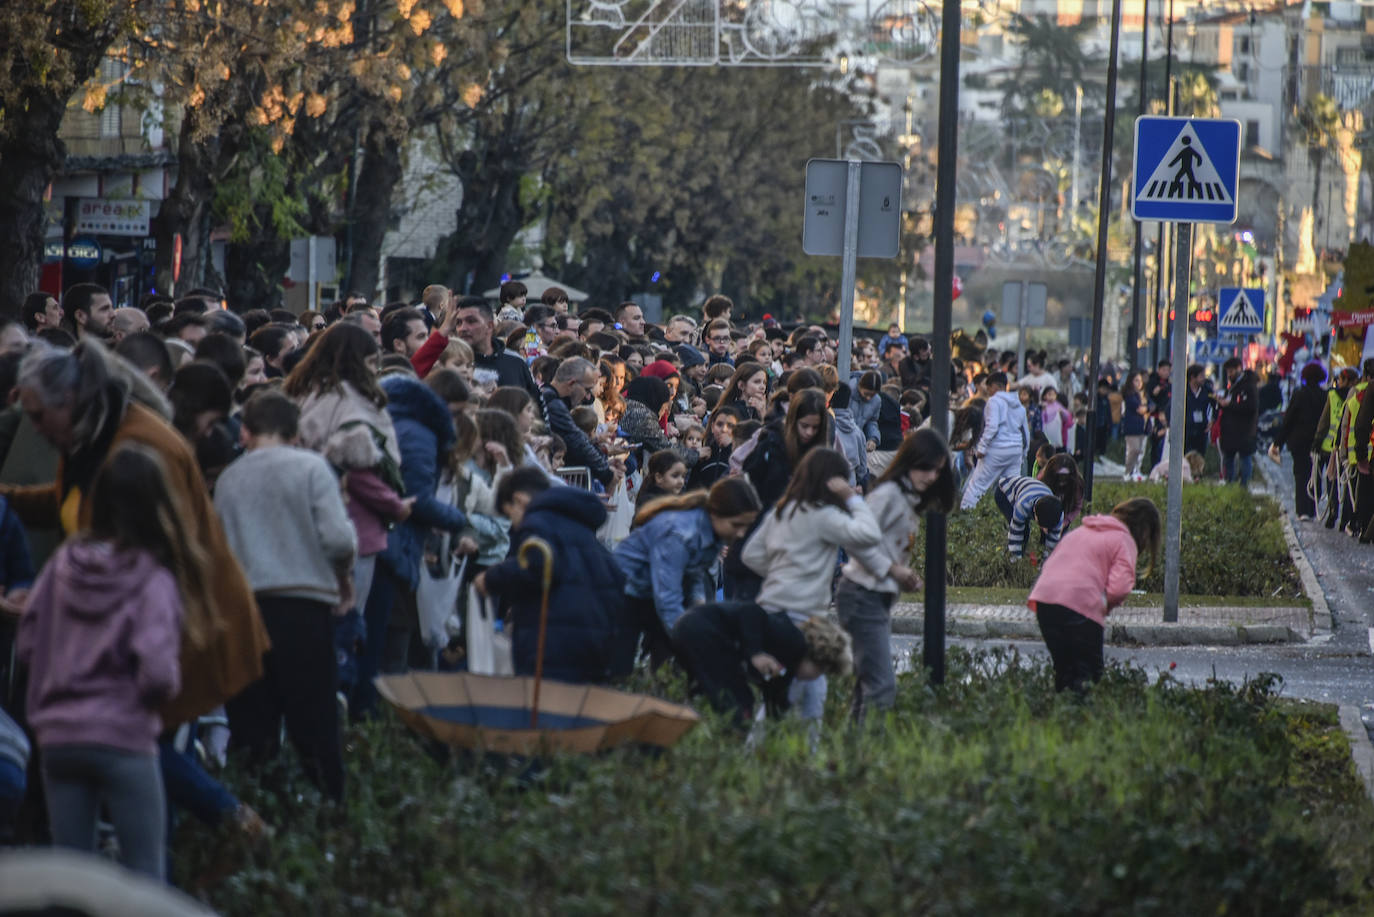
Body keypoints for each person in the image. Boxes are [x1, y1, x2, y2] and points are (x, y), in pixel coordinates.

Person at [3, 342, 267, 727]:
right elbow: (67, 503)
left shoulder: (137, 445)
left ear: (67, 399)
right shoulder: (93, 433)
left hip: (178, 637)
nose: (37, 429)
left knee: (144, 757)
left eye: (39, 416)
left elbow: (159, 555)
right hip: (135, 643)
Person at [18, 444, 194, 879]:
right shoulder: (153, 576)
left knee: (72, 878)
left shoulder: (63, 564)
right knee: (144, 874)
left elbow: (26, 643)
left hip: (58, 737)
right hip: (123, 735)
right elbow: (156, 670)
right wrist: (156, 697)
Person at [215, 392, 356, 801]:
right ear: (295, 433)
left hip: (245, 610)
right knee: (314, 718)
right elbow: (339, 538)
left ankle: (260, 808)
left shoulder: (228, 478)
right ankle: (330, 809)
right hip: (303, 605)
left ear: (245, 431)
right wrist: (343, 579)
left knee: (253, 722)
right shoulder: (311, 468)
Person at [743, 448, 881, 722]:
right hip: (802, 614)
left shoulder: (783, 510)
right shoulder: (823, 517)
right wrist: (851, 498)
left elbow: (750, 555)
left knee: (797, 688)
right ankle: (783, 751)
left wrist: (782, 574)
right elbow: (869, 534)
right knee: (793, 694)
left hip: (770, 609)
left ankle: (789, 752)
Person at [836, 429, 955, 719]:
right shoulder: (889, 494)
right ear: (910, 460)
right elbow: (854, 539)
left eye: (938, 470)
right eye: (926, 467)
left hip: (873, 596)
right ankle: (868, 753)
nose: (931, 476)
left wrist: (901, 575)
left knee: (868, 685)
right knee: (881, 686)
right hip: (861, 593)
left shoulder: (908, 498)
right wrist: (893, 570)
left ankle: (856, 751)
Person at [475, 467, 622, 683]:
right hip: (596, 640)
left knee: (545, 710)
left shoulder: (537, 521)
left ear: (519, 500)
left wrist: (491, 578)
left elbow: (537, 564)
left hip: (555, 644)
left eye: (509, 515)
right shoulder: (576, 525)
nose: (512, 525)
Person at [613, 477, 761, 673]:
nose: (741, 533)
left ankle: (663, 690)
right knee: (621, 664)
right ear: (716, 514)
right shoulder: (679, 535)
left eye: (746, 526)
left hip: (649, 592)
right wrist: (693, 638)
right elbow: (667, 598)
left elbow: (695, 574)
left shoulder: (714, 532)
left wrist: (698, 606)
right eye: (737, 525)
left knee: (672, 650)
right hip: (623, 592)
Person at [1027, 497, 1161, 692]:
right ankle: (1083, 719)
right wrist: (1102, 605)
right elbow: (1120, 587)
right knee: (1089, 675)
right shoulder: (1124, 540)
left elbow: (1050, 565)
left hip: (1046, 603)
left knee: (1064, 671)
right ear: (1145, 531)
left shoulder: (1081, 532)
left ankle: (1056, 716)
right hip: (1081, 608)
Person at [673, 604, 851, 726]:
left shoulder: (787, 666)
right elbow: (751, 611)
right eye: (820, 670)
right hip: (702, 629)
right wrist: (755, 652)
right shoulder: (793, 640)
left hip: (691, 630)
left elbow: (775, 699)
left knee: (709, 698)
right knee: (738, 706)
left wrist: (778, 728)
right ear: (815, 656)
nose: (816, 677)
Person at [960, 372, 1030, 509]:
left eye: (989, 387)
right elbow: (1025, 432)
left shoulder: (994, 401)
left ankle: (965, 514)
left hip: (996, 449)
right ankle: (1016, 520)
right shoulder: (1018, 404)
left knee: (977, 485)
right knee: (1012, 489)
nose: (988, 391)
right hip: (1015, 450)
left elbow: (992, 426)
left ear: (995, 386)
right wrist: (1024, 453)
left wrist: (981, 448)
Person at [1270, 362, 1328, 520]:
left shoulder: (1299, 394)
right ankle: (1312, 509)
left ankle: (1302, 511)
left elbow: (1288, 420)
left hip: (1299, 441)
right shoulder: (1325, 396)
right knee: (1315, 474)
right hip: (1319, 442)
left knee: (1301, 474)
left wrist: (1278, 442)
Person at [453, 296, 541, 400]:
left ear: (490, 326)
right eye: (458, 323)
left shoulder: (516, 362)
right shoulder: (451, 363)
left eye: (471, 321)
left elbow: (536, 405)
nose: (463, 328)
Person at [994, 474, 1066, 559]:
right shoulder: (1023, 505)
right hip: (1005, 491)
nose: (1046, 529)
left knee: (1046, 534)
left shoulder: (1058, 514)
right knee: (1024, 531)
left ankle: (1039, 559)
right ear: (1034, 512)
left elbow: (1052, 542)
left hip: (1032, 491)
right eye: (1041, 525)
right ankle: (1014, 559)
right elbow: (1016, 533)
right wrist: (1016, 560)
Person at [1217, 357, 1258, 486]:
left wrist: (1230, 404)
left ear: (1239, 369)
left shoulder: (1249, 386)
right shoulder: (1232, 386)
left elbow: (1251, 407)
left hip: (1243, 431)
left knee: (1245, 458)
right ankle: (1230, 485)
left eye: (1231, 371)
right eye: (1228, 372)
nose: (1229, 375)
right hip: (1230, 431)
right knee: (1228, 459)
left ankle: (1244, 487)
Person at [1121, 372, 1149, 481]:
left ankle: (1136, 471)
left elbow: (1151, 405)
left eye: (1140, 381)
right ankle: (1128, 471)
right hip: (1132, 427)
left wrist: (1146, 408)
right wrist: (1145, 408)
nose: (1139, 383)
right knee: (1134, 449)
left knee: (1140, 450)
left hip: (1143, 427)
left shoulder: (1143, 394)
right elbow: (1138, 408)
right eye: (1136, 380)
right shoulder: (1129, 394)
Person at [1183, 364, 1214, 456]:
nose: (1204, 378)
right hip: (1186, 428)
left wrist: (1213, 420)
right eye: (1201, 376)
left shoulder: (1207, 390)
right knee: (1186, 455)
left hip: (1202, 428)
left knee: (1200, 456)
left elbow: (1216, 403)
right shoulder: (1184, 390)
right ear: (1192, 377)